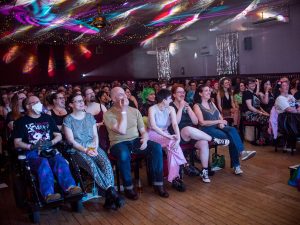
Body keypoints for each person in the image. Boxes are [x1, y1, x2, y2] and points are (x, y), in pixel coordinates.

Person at [104, 87, 168, 200]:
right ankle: (128, 187)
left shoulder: (135, 111)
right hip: (118, 143)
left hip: (134, 140)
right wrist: (123, 110)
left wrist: (145, 139)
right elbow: (122, 131)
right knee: (123, 154)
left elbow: (143, 131)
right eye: (120, 95)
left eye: (124, 94)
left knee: (156, 147)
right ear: (113, 99)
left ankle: (158, 184)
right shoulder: (108, 114)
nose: (124, 96)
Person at [13, 96, 82, 203]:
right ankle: (48, 194)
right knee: (43, 163)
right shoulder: (21, 122)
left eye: (38, 101)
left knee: (60, 161)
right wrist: (30, 146)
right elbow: (17, 143)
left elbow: (58, 135)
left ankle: (70, 187)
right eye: (34, 102)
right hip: (32, 152)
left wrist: (51, 142)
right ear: (27, 106)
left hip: (49, 149)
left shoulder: (47, 118)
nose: (38, 104)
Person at [64, 93, 124, 210]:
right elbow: (71, 141)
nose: (82, 103)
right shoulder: (68, 120)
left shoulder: (89, 117)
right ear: (71, 104)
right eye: (78, 101)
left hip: (93, 147)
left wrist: (95, 148)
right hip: (78, 150)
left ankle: (110, 196)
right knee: (92, 165)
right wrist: (86, 150)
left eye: (82, 100)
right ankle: (112, 193)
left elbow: (95, 136)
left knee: (105, 163)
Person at [171, 85, 230, 183]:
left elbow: (195, 122)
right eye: (179, 92)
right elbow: (175, 123)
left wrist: (189, 110)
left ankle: (205, 171)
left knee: (204, 143)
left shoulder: (187, 104)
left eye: (183, 92)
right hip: (178, 134)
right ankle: (213, 139)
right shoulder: (170, 106)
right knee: (188, 129)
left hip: (192, 134)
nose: (182, 94)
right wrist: (181, 108)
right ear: (174, 94)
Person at [193, 85, 256, 175]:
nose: (209, 92)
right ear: (200, 93)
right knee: (232, 138)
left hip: (217, 127)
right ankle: (237, 164)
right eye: (206, 91)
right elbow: (202, 122)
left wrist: (221, 123)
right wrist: (219, 121)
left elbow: (219, 115)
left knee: (233, 130)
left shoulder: (211, 103)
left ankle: (242, 153)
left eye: (209, 90)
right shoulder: (197, 106)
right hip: (207, 130)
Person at [148, 89, 186, 192]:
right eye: (169, 98)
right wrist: (169, 137)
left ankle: (174, 178)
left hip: (165, 134)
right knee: (171, 143)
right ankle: (184, 164)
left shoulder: (170, 109)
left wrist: (178, 138)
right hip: (153, 134)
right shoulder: (152, 109)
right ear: (164, 100)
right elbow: (154, 127)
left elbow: (174, 124)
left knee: (172, 148)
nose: (171, 100)